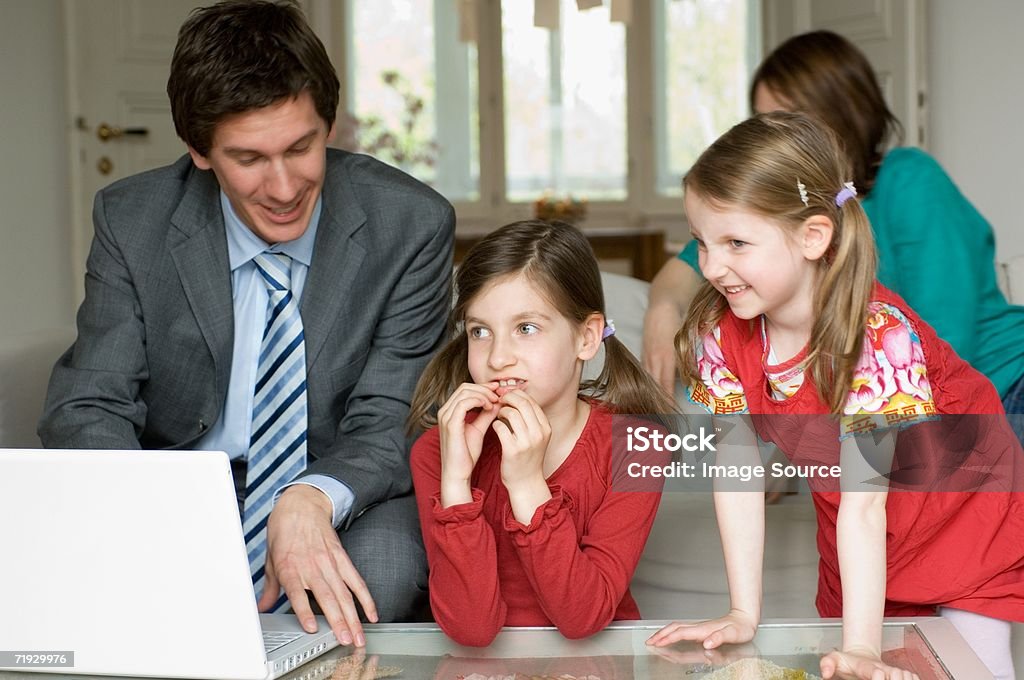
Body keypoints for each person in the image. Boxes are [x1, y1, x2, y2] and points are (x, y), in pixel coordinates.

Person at [38, 0, 455, 648]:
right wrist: (153, 521)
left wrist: (314, 495)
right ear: (198, 151)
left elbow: (394, 416)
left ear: (330, 124)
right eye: (250, 158)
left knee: (386, 571)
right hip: (180, 488)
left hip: (342, 479)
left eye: (301, 147)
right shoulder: (132, 220)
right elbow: (89, 403)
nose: (285, 186)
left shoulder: (411, 224)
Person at [646, 112, 1024, 680]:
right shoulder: (720, 334)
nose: (712, 267)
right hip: (863, 528)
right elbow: (736, 467)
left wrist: (865, 646)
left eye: (736, 243)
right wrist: (743, 612)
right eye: (702, 242)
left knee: (966, 670)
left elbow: (866, 503)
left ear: (812, 236)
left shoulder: (878, 336)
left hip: (965, 518)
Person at [642, 30, 1024, 445]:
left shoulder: (910, 180)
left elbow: (945, 339)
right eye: (760, 120)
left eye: (788, 119)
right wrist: (662, 311)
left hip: (1003, 386)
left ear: (841, 113)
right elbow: (684, 272)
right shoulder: (760, 224)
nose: (772, 136)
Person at [407, 220, 677, 646]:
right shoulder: (436, 451)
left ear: (586, 338)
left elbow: (583, 616)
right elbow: (471, 629)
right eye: (480, 331)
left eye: (525, 328)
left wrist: (528, 485)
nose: (497, 358)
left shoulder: (637, 447)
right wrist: (456, 484)